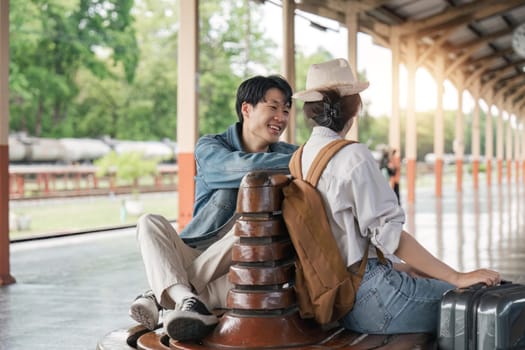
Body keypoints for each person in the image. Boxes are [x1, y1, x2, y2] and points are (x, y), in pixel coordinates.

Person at [292, 58, 500, 334]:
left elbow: (341, 241)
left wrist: (401, 267)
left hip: (335, 299)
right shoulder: (352, 155)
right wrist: (456, 276)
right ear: (355, 105)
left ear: (310, 110)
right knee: (491, 305)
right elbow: (392, 237)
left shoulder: (299, 157)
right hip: (374, 299)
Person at [129, 75, 297, 341]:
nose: (281, 116)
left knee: (252, 228)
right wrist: (302, 160)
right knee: (148, 222)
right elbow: (249, 168)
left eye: (286, 109)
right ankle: (186, 299)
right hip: (195, 255)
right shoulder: (211, 147)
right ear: (246, 108)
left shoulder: (289, 152)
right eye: (273, 106)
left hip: (240, 277)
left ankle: (164, 297)